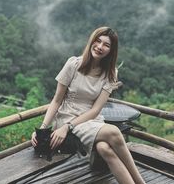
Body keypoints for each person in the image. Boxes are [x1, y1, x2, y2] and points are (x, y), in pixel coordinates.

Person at [31, 26, 145, 184]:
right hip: (67, 117)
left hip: (91, 119)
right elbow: (56, 100)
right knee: (114, 133)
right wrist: (44, 128)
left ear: (111, 50)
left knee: (105, 149)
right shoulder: (73, 64)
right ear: (91, 41)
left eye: (106, 45)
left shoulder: (111, 73)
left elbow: (96, 109)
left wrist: (69, 126)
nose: (100, 47)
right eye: (98, 41)